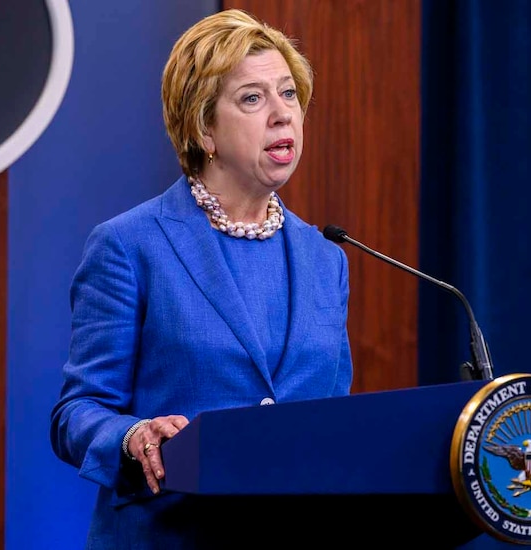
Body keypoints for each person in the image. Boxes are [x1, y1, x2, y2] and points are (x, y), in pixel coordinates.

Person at [49, 9, 353, 548]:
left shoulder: (325, 257)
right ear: (204, 129)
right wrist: (132, 435)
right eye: (253, 99)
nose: (283, 115)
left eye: (289, 94)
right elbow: (77, 413)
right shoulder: (131, 245)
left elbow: (334, 417)